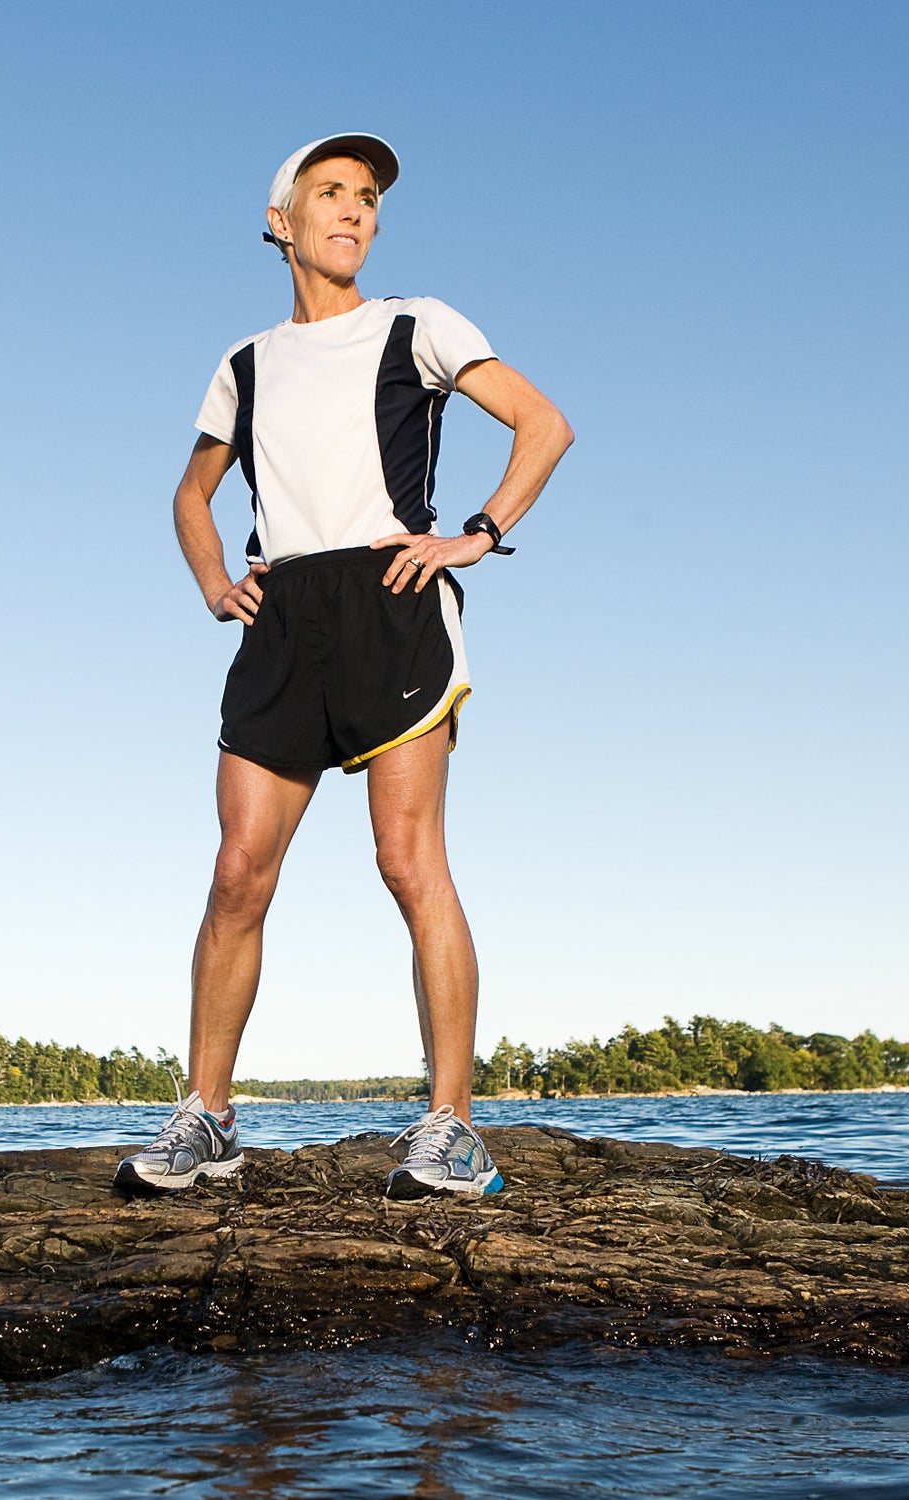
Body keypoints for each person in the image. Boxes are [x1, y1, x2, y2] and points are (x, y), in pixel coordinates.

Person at [115, 132, 572, 1200]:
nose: (354, 211)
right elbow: (191, 494)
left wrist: (476, 532)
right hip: (283, 621)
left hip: (393, 604)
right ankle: (210, 1122)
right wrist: (216, 581)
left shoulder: (419, 327)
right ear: (281, 222)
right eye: (330, 194)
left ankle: (451, 1128)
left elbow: (543, 425)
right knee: (237, 873)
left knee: (410, 865)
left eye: (366, 198)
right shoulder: (244, 364)